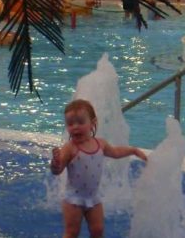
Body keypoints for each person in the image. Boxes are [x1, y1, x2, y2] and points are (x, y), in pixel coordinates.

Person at [50, 99, 147, 238]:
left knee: (98, 230)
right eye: (70, 123)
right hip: (74, 199)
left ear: (93, 123)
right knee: (71, 233)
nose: (75, 127)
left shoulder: (100, 144)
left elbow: (115, 152)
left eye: (80, 122)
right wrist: (55, 163)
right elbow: (57, 171)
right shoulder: (69, 148)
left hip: (93, 198)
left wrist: (133, 151)